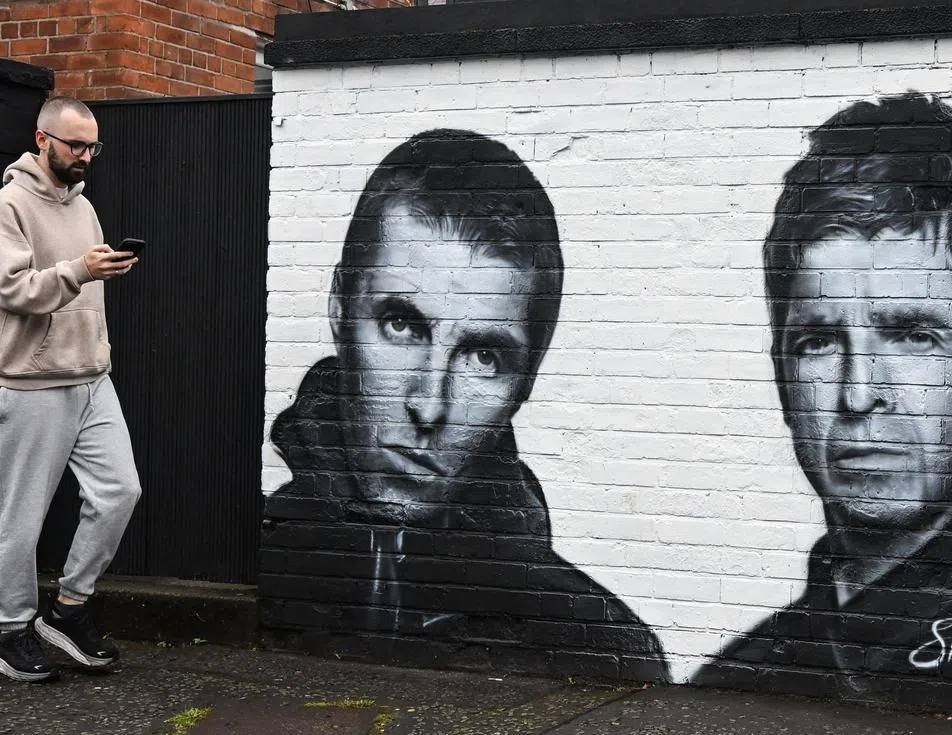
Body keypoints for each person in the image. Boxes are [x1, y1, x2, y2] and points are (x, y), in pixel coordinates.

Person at [695, 93, 952, 702]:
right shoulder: (732, 682)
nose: (859, 393)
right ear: (780, 373)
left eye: (915, 336)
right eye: (819, 342)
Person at [264, 129, 667, 682]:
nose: (428, 407)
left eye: (482, 358)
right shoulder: (248, 575)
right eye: (402, 326)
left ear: (525, 383)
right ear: (339, 309)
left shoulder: (600, 649)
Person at [0, 96, 142, 682]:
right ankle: (13, 632)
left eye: (93, 145)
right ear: (43, 140)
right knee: (22, 517)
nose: (86, 156)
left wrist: (97, 271)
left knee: (120, 492)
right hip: (30, 383)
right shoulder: (8, 206)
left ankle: (69, 609)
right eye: (76, 144)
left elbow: (81, 286)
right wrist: (79, 271)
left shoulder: (85, 208)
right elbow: (11, 290)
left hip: (91, 378)